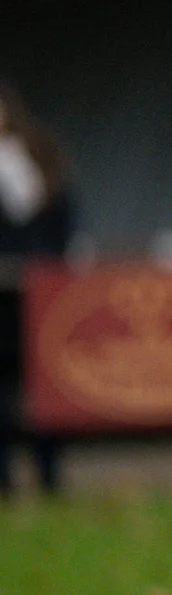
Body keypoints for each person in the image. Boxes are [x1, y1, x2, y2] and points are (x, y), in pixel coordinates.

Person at [0, 84, 75, 497]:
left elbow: (60, 224)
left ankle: (49, 474)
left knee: (46, 387)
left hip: (37, 297)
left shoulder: (41, 161)